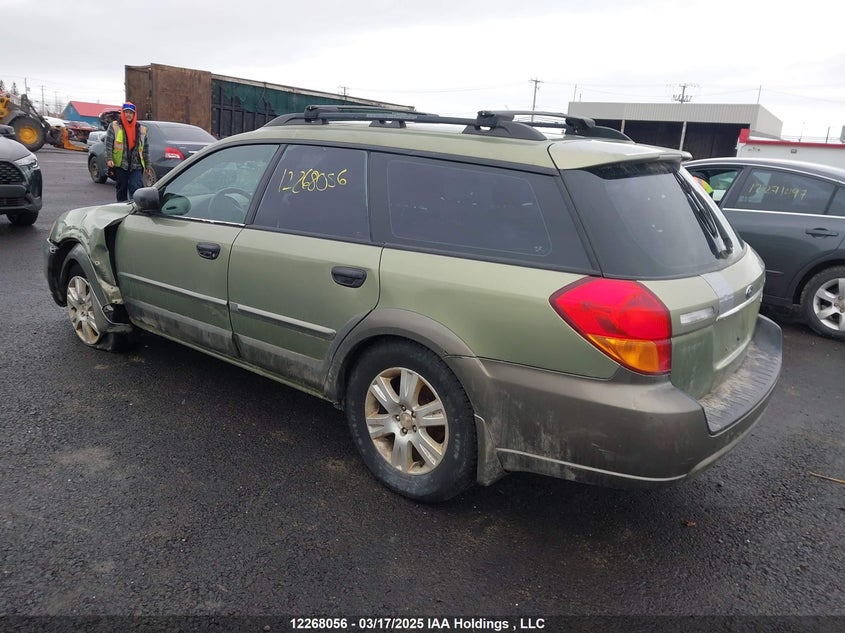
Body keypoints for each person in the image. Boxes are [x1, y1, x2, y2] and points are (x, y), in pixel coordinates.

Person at [104, 102, 152, 202]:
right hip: (121, 164)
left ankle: (135, 207)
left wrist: (148, 165)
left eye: (131, 113)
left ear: (134, 114)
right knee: (121, 189)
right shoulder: (114, 126)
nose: (128, 115)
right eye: (126, 112)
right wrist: (109, 158)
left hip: (136, 165)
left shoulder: (141, 129)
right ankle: (121, 207)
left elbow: (145, 149)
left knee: (136, 188)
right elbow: (108, 144)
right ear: (123, 113)